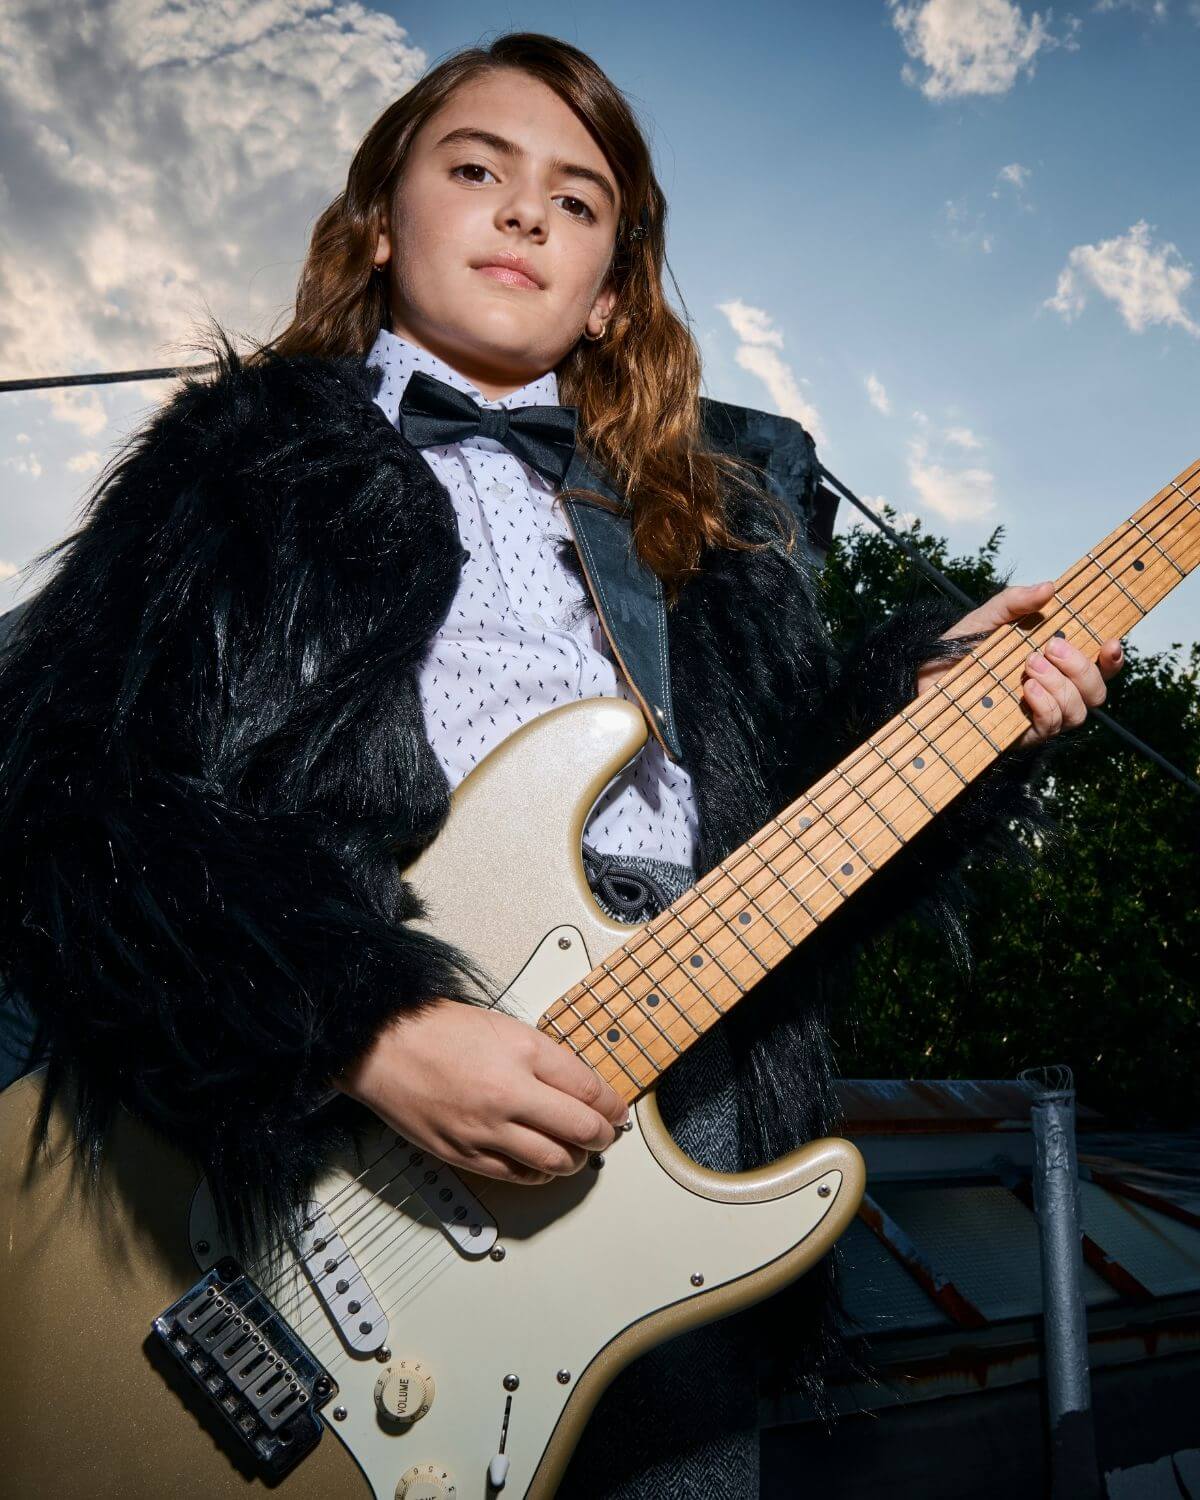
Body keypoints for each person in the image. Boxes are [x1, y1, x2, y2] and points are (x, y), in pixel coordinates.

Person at [0, 31, 1121, 1498]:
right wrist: (364, 1030)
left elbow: (800, 840)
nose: (527, 211)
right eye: (477, 169)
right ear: (381, 222)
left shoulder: (720, 531)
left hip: (683, 1092)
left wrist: (943, 706)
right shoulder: (233, 463)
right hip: (324, 1101)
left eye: (579, 200)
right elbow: (73, 800)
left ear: (611, 296)